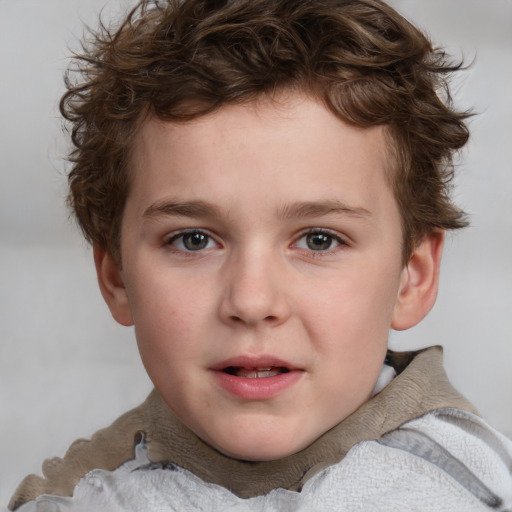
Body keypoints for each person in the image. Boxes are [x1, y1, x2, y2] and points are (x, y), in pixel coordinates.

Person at [8, 0, 512, 510]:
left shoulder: (468, 490)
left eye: (319, 240)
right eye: (194, 240)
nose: (251, 301)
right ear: (116, 277)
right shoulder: (76, 498)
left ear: (412, 277)